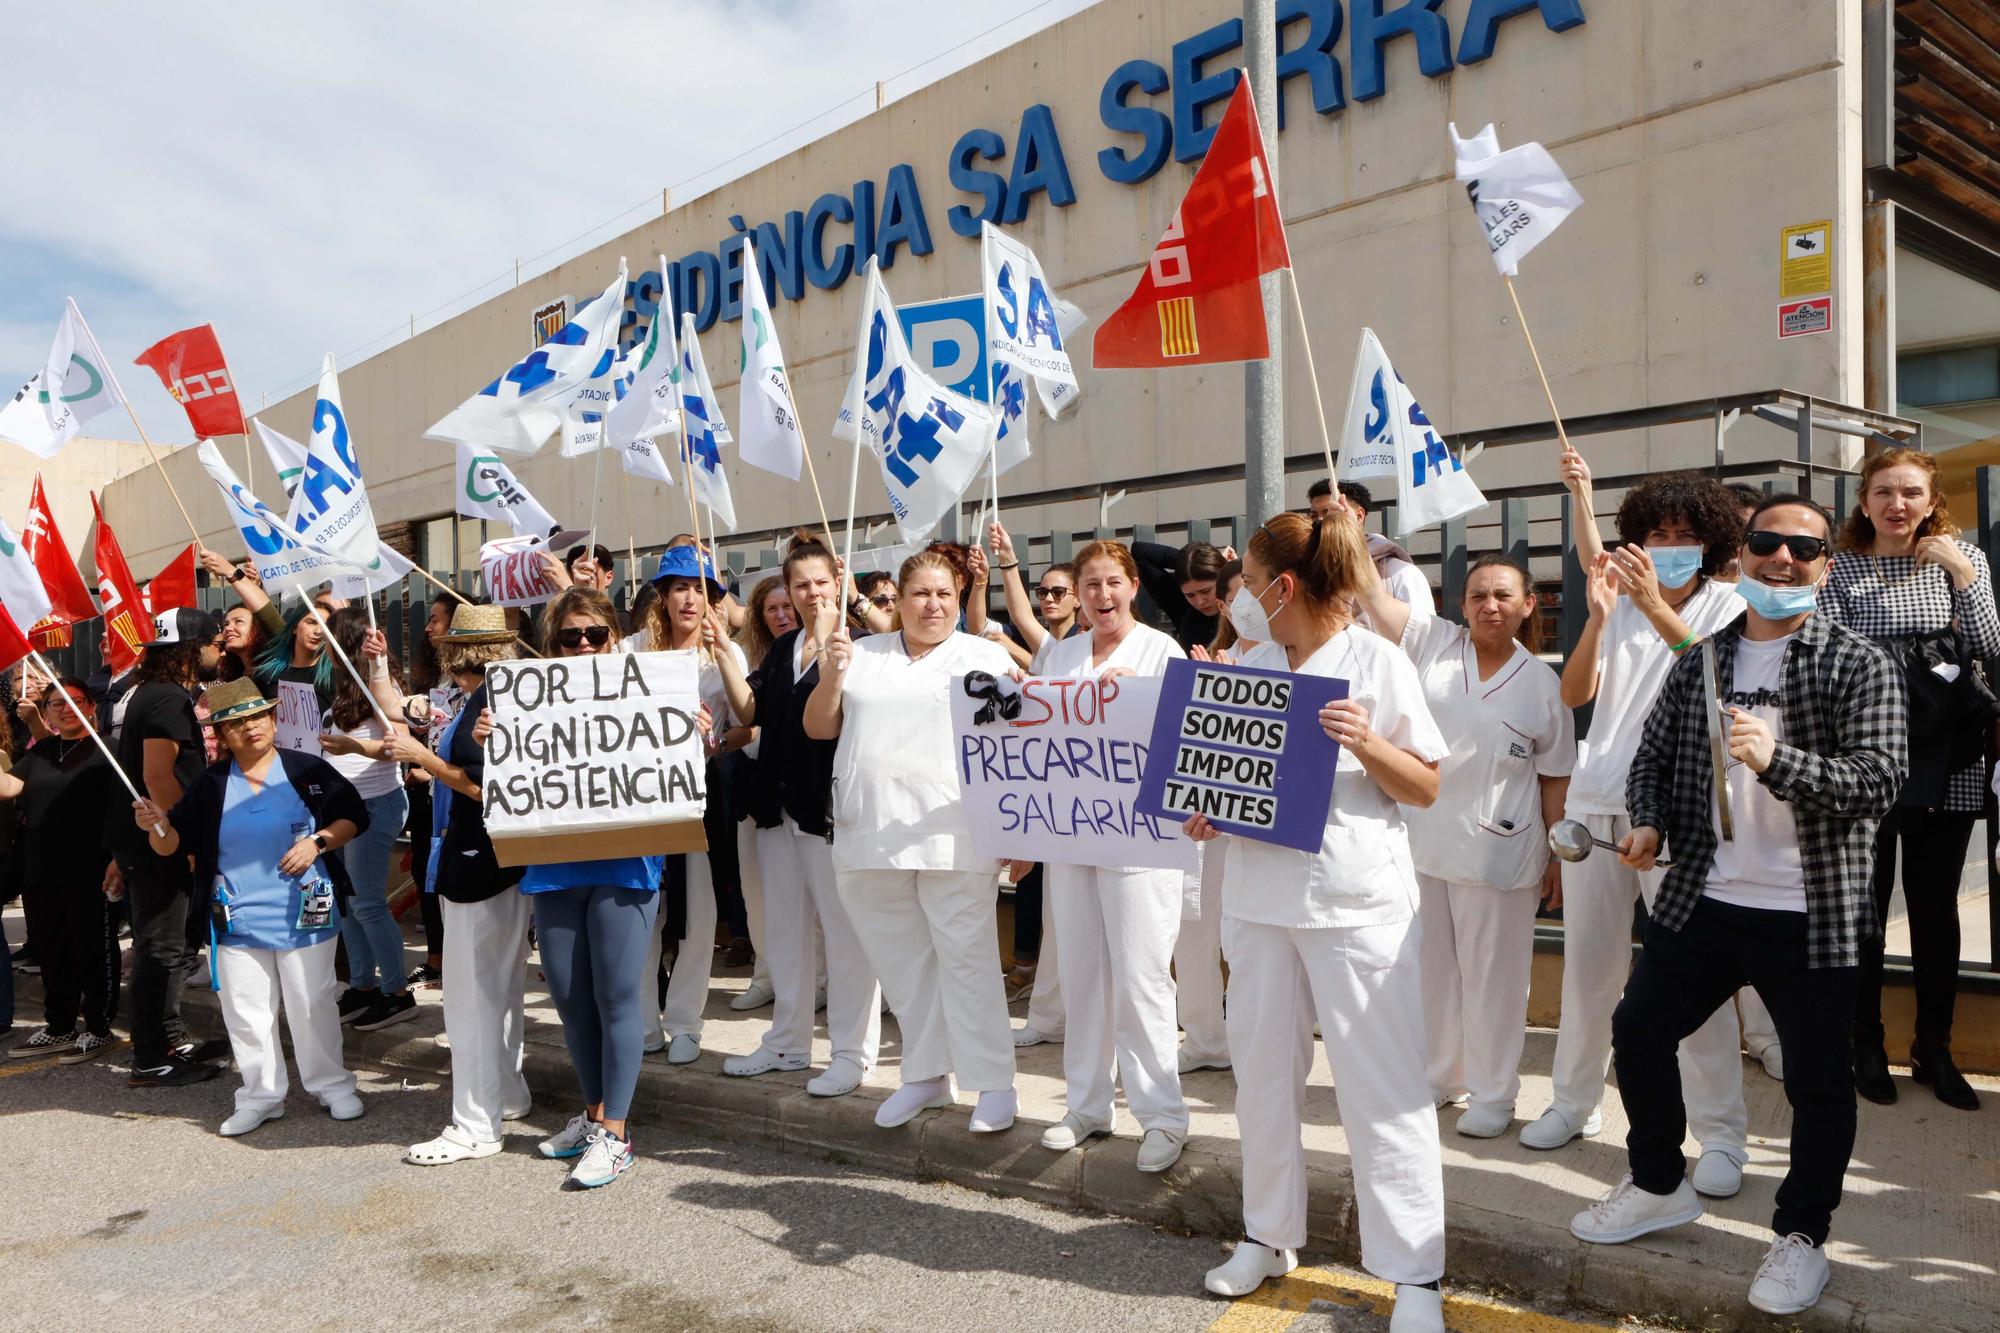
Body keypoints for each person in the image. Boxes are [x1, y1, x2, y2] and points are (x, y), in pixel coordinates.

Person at [1572, 494, 1907, 1320]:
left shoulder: (1858, 661)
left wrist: (1778, 758)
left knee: (1819, 1084)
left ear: (1827, 563)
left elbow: (1879, 779)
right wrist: (1647, 818)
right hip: (1706, 898)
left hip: (1809, 912)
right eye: (1767, 543)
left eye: (1803, 547)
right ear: (1744, 556)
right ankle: (1657, 1181)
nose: (1782, 558)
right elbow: (1651, 754)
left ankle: (1801, 1236)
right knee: (1638, 1028)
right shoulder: (1704, 657)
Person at [1186, 511, 1448, 1333]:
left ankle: (1415, 1277)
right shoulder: (1250, 663)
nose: (1238, 599)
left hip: (1355, 906)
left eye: (1245, 584)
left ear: (1280, 586)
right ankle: (1267, 1232)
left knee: (1383, 1088)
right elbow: (1228, 788)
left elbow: (1426, 787)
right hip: (1258, 906)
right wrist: (1204, 801)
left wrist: (1367, 741)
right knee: (1262, 1077)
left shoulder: (1376, 659)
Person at [1522, 458, 1755, 1204]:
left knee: (1692, 981)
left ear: (1713, 541)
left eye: (1686, 534)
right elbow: (1574, 691)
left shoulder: (1728, 605)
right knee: (1590, 967)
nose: (1670, 544)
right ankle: (1574, 1101)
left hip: (1679, 814)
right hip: (1595, 804)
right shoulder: (1615, 603)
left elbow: (1711, 675)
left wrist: (1652, 602)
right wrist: (1596, 616)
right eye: (1658, 532)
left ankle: (1720, 1134)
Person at [1356, 554, 1574, 1137]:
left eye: (1503, 595)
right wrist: (1349, 532)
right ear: (1462, 606)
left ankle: (1495, 1094)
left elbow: (1555, 774)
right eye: (1478, 595)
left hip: (1500, 852)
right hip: (1421, 844)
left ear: (1529, 605)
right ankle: (1438, 1076)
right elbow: (1371, 595)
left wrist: (1556, 852)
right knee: (1431, 974)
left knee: (1494, 982)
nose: (1489, 606)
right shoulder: (1432, 645)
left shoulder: (1540, 683)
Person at [806, 549, 1020, 1132]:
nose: (934, 605)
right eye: (921, 594)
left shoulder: (985, 656)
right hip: (868, 830)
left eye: (945, 594)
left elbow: (1016, 748)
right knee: (902, 964)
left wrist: (1019, 831)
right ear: (895, 601)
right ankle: (926, 1077)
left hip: (956, 835)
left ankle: (995, 1082)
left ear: (959, 598)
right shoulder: (861, 652)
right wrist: (831, 672)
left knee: (968, 961)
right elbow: (819, 727)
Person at [1821, 448, 1997, 1110]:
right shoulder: (1841, 568)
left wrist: (1962, 574)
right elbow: (1830, 654)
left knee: (1934, 905)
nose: (1898, 503)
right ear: (1864, 501)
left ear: (1932, 500)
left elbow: (1991, 643)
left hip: (1948, 752)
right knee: (1865, 907)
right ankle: (1866, 1041)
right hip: (1868, 756)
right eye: (1884, 491)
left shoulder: (1964, 558)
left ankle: (1936, 1045)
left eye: (1912, 492)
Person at [132, 677, 368, 1137]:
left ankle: (333, 1086)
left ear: (273, 718)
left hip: (306, 910)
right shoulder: (209, 784)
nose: (251, 727)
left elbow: (354, 816)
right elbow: (172, 846)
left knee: (312, 1002)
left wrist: (318, 843)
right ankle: (261, 1096)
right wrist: (156, 825)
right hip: (235, 915)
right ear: (221, 734)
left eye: (257, 716)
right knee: (245, 1009)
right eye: (236, 722)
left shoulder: (307, 770)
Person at [1035, 540, 1189, 1173]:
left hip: (1140, 834)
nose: (1101, 597)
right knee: (1081, 970)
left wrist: (1139, 698)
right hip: (1073, 833)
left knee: (1142, 974)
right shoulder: (1061, 651)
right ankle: (1088, 1105)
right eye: (1089, 586)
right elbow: (1038, 741)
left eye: (1111, 584)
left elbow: (1185, 736)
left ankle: (1162, 1115)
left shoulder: (1162, 650)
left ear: (1133, 587)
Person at [710, 536, 884, 1096]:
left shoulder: (860, 647)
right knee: (784, 932)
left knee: (845, 933)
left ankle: (853, 1053)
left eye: (819, 583)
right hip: (775, 807)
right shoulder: (783, 647)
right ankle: (787, 1041)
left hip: (830, 810)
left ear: (838, 581)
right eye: (799, 585)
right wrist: (720, 651)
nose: (810, 594)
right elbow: (750, 710)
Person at [517, 588, 675, 1189]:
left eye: (595, 635)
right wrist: (492, 739)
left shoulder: (650, 690)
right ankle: (591, 1116)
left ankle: (616, 1133)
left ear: (615, 637)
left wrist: (692, 730)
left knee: (615, 996)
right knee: (568, 994)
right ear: (554, 642)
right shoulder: (528, 701)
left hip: (626, 863)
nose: (583, 646)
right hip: (554, 864)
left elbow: (683, 763)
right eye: (570, 637)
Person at [394, 604, 533, 1166]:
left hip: (480, 858)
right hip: (497, 859)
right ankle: (507, 1094)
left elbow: (485, 786)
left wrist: (424, 756)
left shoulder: (492, 698)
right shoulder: (504, 693)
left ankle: (475, 1123)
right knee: (498, 987)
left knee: (472, 996)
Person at [632, 547, 747, 1065]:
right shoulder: (632, 649)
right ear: (662, 595)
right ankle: (640, 1022)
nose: (690, 598)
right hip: (638, 800)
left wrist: (717, 740)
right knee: (641, 915)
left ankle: (685, 1022)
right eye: (680, 586)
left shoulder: (728, 654)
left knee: (697, 916)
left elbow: (747, 721)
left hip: (696, 799)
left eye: (701, 588)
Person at [110, 608, 226, 1088]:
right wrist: (184, 838)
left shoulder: (158, 694)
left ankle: (168, 1038)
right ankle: (150, 1057)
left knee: (173, 946)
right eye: (213, 643)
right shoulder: (165, 700)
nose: (219, 651)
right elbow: (157, 774)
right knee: (160, 948)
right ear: (189, 649)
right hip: (161, 845)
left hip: (153, 841)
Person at [1, 679, 123, 1063]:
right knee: (53, 952)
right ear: (47, 711)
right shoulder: (43, 751)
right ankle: (60, 1026)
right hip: (41, 869)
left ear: (91, 706)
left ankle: (100, 1028)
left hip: (92, 869)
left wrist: (119, 858)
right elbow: (9, 787)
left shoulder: (110, 750)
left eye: (75, 701)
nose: (66, 709)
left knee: (92, 949)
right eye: (56, 704)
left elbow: (127, 809)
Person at [316, 610, 417, 1031]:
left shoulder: (380, 685)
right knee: (349, 904)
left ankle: (397, 992)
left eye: (331, 640)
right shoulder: (343, 689)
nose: (325, 649)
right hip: (346, 811)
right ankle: (363, 984)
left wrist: (349, 747)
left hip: (376, 805)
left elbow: (398, 745)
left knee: (367, 903)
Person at [725, 576, 796, 1004]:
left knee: (805, 899)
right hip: (755, 788)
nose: (782, 614)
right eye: (772, 608)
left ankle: (816, 982)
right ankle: (766, 976)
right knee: (756, 889)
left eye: (787, 605)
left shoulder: (817, 651)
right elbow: (745, 719)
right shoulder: (747, 655)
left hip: (802, 791)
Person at [401, 592, 460, 989]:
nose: (428, 626)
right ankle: (436, 960)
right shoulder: (427, 677)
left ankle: (455, 960)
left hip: (457, 796)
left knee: (454, 879)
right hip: (425, 800)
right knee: (426, 873)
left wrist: (434, 770)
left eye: (437, 618)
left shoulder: (477, 680)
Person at [1309, 480, 1436, 618]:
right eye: (1314, 516)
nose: (1320, 522)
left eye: (1329, 513)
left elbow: (1421, 635)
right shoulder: (1307, 574)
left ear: (1358, 516)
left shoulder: (1400, 574)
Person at [200, 549, 285, 688]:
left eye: (238, 621)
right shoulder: (233, 674)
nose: (228, 628)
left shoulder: (276, 663)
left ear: (258, 628)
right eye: (226, 623)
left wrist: (229, 571)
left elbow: (267, 615)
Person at [1133, 537, 1226, 652]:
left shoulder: (1241, 609)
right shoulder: (1183, 607)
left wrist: (1205, 562)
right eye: (1190, 595)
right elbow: (1139, 552)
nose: (1200, 601)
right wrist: (1187, 562)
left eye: (1205, 591)